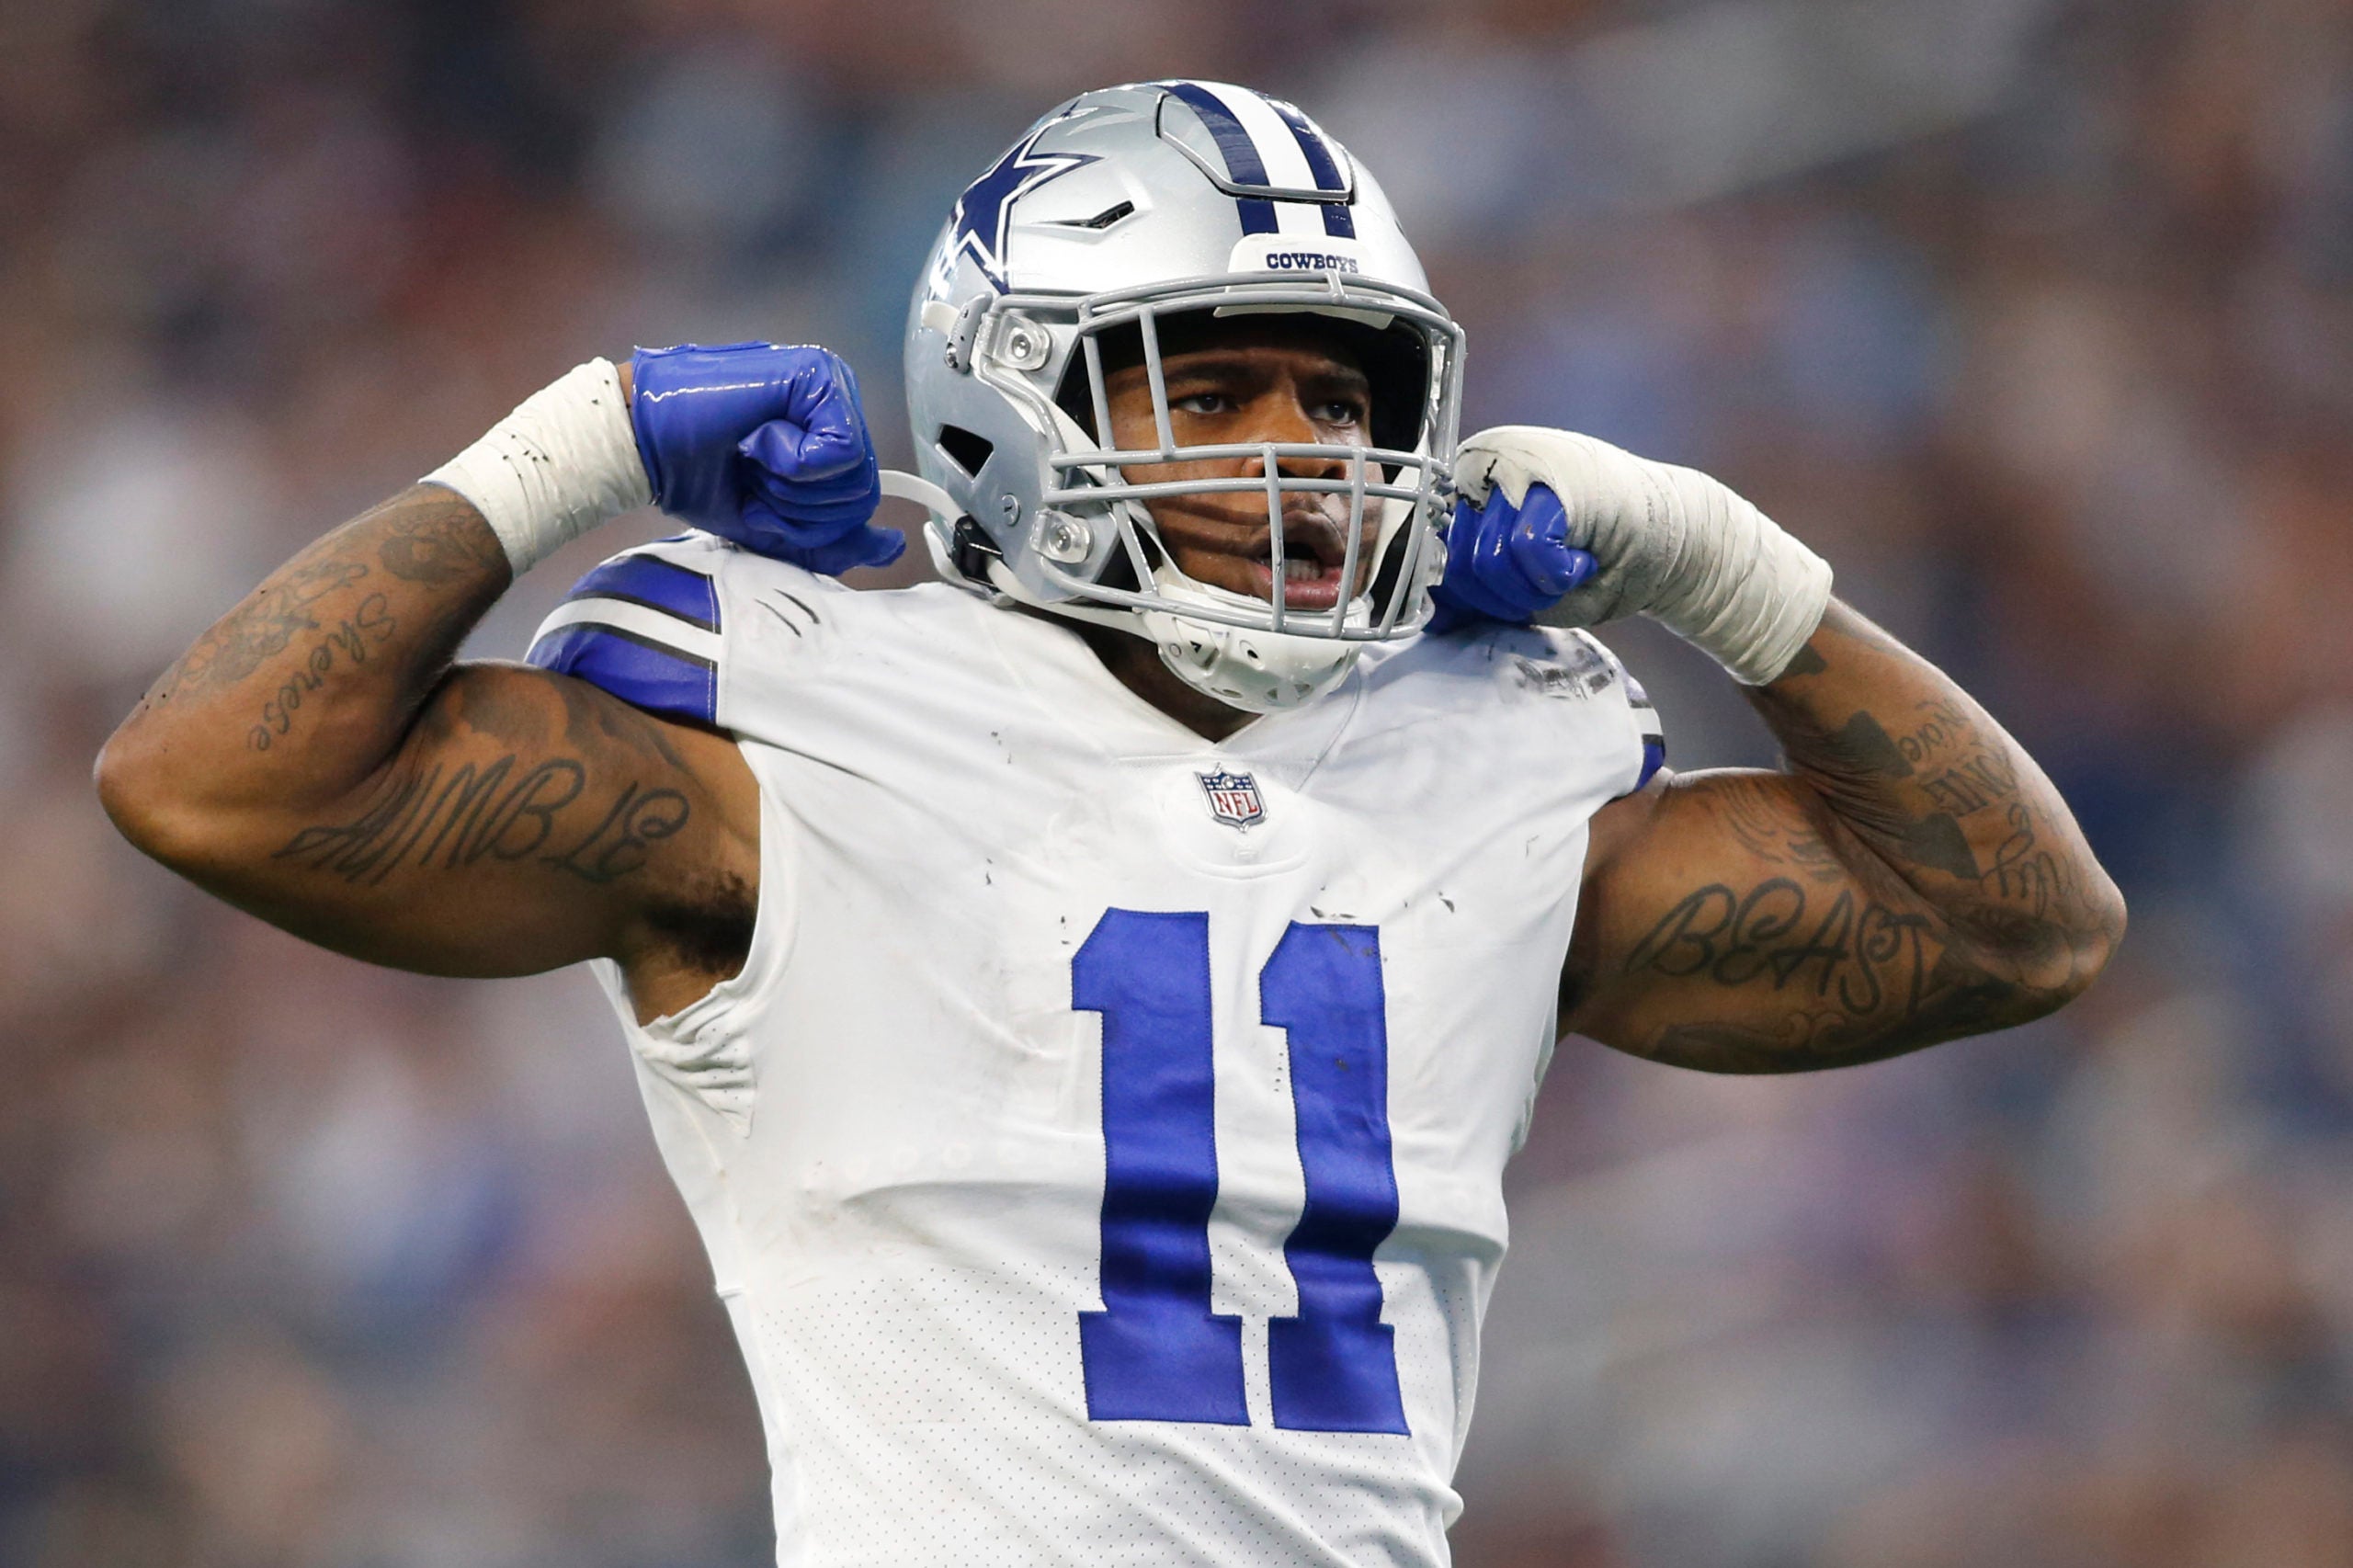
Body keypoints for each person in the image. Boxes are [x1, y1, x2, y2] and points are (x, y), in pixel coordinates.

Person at [95, 80, 2122, 1567]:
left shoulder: (1499, 749)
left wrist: (1709, 558)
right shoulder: (786, 718)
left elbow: (2019, 926)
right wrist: (576, 445)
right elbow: (210, 781)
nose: (1297, 455)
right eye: (1210, 394)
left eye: (1339, 399)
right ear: (1009, 406)